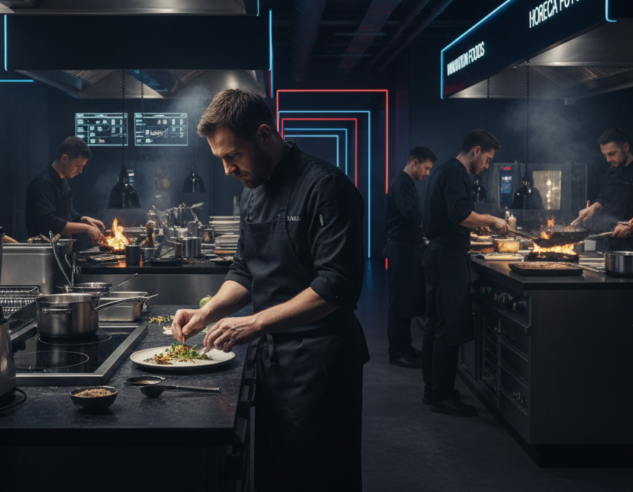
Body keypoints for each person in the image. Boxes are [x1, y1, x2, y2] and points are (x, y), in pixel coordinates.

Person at [171, 89, 368, 491]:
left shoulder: (326, 186)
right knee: (277, 474)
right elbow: (245, 270)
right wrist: (207, 312)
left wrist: (255, 323)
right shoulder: (252, 191)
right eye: (220, 158)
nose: (227, 169)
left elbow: (337, 285)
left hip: (321, 362)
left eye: (232, 155)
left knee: (320, 476)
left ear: (264, 135)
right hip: (272, 360)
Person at [422, 130, 509, 416]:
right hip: (447, 257)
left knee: (436, 323)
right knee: (449, 325)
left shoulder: (444, 170)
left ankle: (433, 389)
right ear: (476, 150)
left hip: (438, 253)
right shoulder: (457, 173)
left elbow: (452, 215)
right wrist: (492, 220)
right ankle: (442, 396)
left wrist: (474, 223)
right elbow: (459, 213)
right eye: (488, 159)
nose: (487, 165)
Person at [383, 146, 436, 368]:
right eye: (426, 168)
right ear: (415, 162)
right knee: (400, 302)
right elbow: (413, 215)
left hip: (408, 248)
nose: (428, 173)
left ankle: (405, 348)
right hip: (401, 249)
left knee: (407, 301)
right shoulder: (401, 183)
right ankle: (397, 353)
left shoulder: (406, 183)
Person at [579, 128, 633, 251]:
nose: (608, 159)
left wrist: (630, 227)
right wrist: (594, 207)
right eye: (605, 155)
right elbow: (604, 196)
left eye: (612, 154)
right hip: (609, 239)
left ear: (625, 147)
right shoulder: (611, 171)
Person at [25, 136, 107, 243]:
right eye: (78, 165)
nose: (80, 171)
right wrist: (86, 228)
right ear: (64, 159)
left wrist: (83, 218)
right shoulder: (42, 183)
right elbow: (49, 222)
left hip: (63, 249)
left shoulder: (63, 181)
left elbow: (65, 212)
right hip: (45, 250)